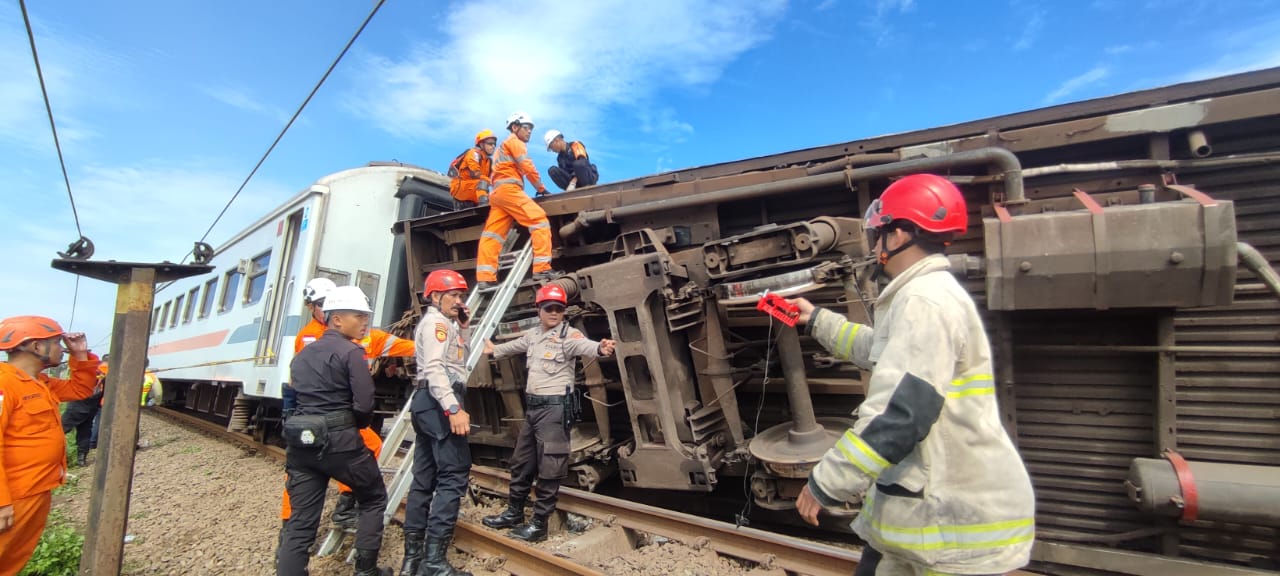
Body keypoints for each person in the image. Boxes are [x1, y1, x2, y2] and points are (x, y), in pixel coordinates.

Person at [789, 174, 1035, 576]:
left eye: (880, 232)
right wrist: (816, 319)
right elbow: (882, 352)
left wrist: (825, 483)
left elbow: (897, 413)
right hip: (927, 516)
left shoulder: (924, 301)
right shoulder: (922, 295)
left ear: (900, 234)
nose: (875, 242)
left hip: (949, 527)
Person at [480, 284, 614, 542]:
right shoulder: (533, 335)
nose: (554, 313)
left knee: (550, 465)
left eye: (559, 309)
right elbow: (512, 347)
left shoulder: (569, 335)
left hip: (554, 408)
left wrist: (601, 347)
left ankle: (540, 524)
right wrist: (492, 349)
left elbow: (587, 346)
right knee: (521, 463)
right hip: (534, 409)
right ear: (538, 310)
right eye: (549, 308)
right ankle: (514, 513)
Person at [280, 278, 415, 532]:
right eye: (320, 303)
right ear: (312, 307)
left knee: (370, 445)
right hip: (318, 416)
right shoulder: (309, 338)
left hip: (340, 417)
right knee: (300, 479)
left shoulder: (362, 336)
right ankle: (290, 527)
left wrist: (434, 347)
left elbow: (396, 345)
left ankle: (345, 505)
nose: (325, 307)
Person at [277, 287, 392, 576]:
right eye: (359, 316)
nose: (365, 322)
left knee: (302, 520)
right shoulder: (352, 352)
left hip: (302, 446)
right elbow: (365, 403)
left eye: (366, 316)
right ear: (337, 320)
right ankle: (366, 570)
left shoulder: (302, 356)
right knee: (374, 496)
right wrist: (355, 425)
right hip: (340, 442)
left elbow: (293, 396)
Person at [0, 316, 99, 576]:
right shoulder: (5, 383)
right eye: (56, 342)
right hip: (13, 494)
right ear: (35, 347)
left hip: (37, 489)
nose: (62, 348)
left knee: (12, 560)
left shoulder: (41, 383)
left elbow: (81, 390)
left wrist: (81, 355)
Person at [403, 269, 474, 576]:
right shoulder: (436, 325)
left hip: (426, 403)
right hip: (438, 400)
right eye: (453, 295)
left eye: (461, 295)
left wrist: (465, 327)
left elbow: (457, 359)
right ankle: (434, 563)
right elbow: (436, 369)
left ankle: (413, 560)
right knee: (454, 475)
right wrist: (453, 408)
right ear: (434, 296)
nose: (459, 300)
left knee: (424, 478)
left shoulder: (446, 324)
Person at [475, 111, 556, 290]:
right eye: (526, 128)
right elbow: (528, 167)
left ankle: (485, 277)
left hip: (498, 194)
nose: (529, 132)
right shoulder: (514, 142)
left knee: (492, 235)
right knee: (539, 220)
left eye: (530, 129)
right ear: (515, 127)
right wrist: (541, 188)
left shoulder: (502, 147)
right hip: (509, 190)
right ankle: (542, 269)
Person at [61, 353, 106, 467]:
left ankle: (54, 457)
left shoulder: (92, 371)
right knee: (85, 433)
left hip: (77, 406)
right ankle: (82, 460)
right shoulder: (107, 373)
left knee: (60, 430)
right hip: (92, 408)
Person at [447, 129, 497, 209]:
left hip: (472, 190)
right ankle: (483, 208)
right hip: (460, 188)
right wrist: (490, 182)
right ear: (481, 144)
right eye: (490, 143)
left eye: (494, 144)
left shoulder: (489, 162)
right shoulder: (473, 153)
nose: (493, 146)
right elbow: (475, 173)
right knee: (483, 183)